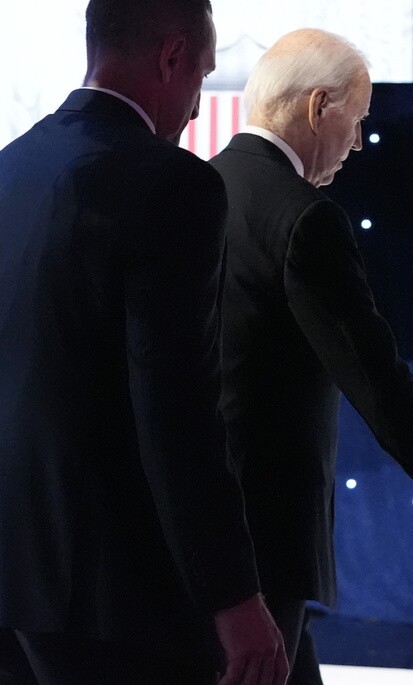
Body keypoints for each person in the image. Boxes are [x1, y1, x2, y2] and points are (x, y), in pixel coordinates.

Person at [209, 29, 413, 684]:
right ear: (321, 105)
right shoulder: (303, 219)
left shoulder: (194, 192)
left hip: (187, 532)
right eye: (358, 119)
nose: (358, 142)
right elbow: (377, 381)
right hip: (263, 543)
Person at [0, 1, 290, 684]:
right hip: (113, 596)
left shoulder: (10, 168)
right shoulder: (171, 182)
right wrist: (234, 596)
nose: (195, 108)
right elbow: (177, 406)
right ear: (170, 59)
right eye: (201, 76)